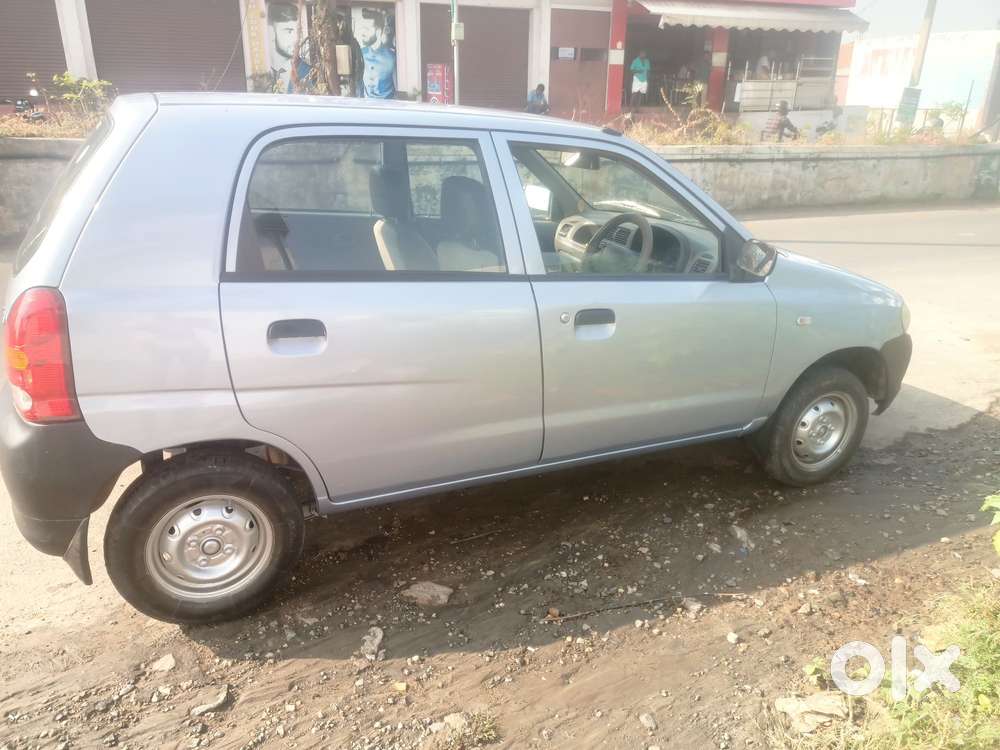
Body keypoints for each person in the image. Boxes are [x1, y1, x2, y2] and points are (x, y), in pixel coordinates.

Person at [355, 8, 396, 99]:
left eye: (367, 29)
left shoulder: (392, 58)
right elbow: (358, 86)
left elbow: (398, 91)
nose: (363, 33)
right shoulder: (361, 54)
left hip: (387, 109)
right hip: (365, 108)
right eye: (362, 28)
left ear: (378, 31)